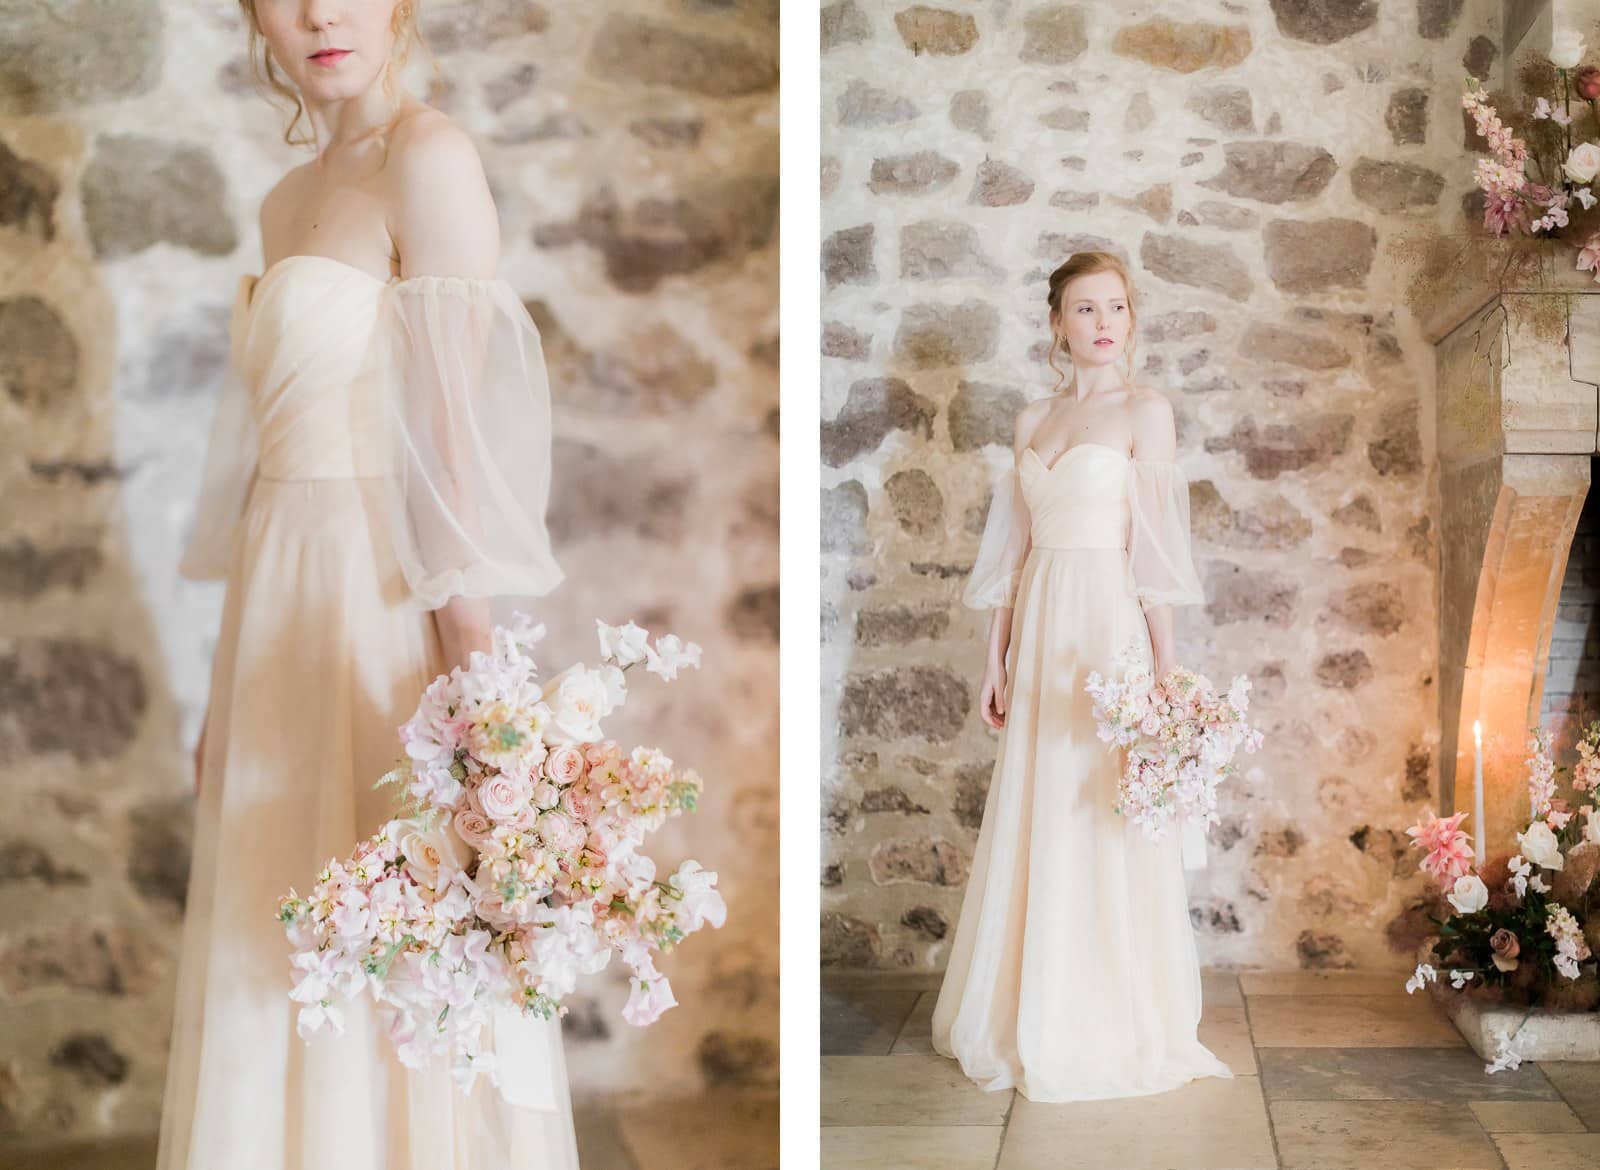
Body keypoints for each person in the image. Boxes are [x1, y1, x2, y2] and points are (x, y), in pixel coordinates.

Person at [157, 2, 576, 1166]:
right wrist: (218, 687)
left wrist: (479, 702)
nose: (319, 15)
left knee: (391, 925)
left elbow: (447, 452)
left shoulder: (427, 160)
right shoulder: (286, 200)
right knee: (275, 918)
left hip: (376, 595)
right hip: (273, 603)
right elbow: (257, 459)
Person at [929, 251, 1231, 1102]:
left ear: (1131, 321)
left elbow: (1157, 552)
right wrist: (996, 656)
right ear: (1058, 323)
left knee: (1100, 807)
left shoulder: (1148, 412)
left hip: (1108, 623)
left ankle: (1106, 1013)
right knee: (1040, 800)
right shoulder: (1032, 420)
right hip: (1043, 622)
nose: (1104, 323)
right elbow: (1014, 550)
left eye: (1118, 308)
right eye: (1086, 308)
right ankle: (1029, 1005)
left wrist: (1165, 674)